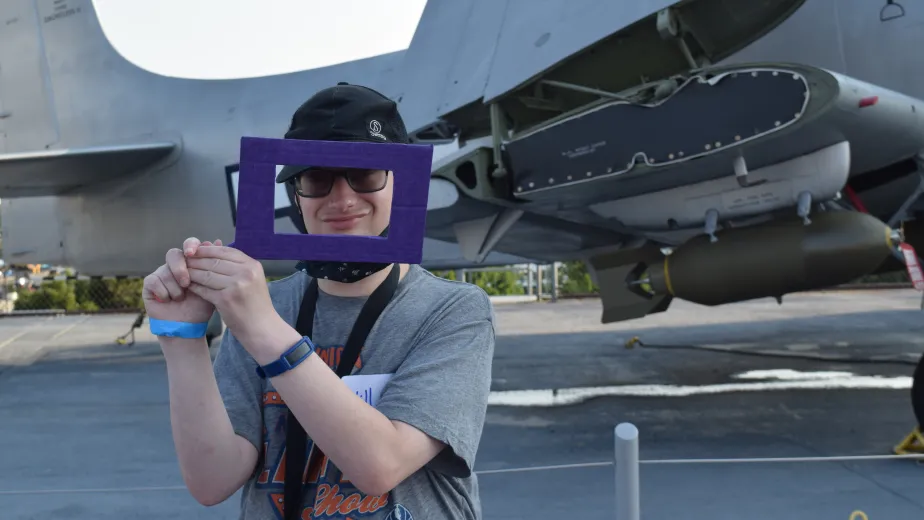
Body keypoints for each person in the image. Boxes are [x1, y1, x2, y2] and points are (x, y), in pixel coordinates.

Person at [142, 82, 496, 519]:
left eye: (365, 175)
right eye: (317, 179)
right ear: (297, 194)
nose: (342, 199)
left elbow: (380, 466)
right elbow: (212, 481)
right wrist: (182, 337)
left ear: (400, 184)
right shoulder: (263, 306)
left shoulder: (453, 310)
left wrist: (262, 327)